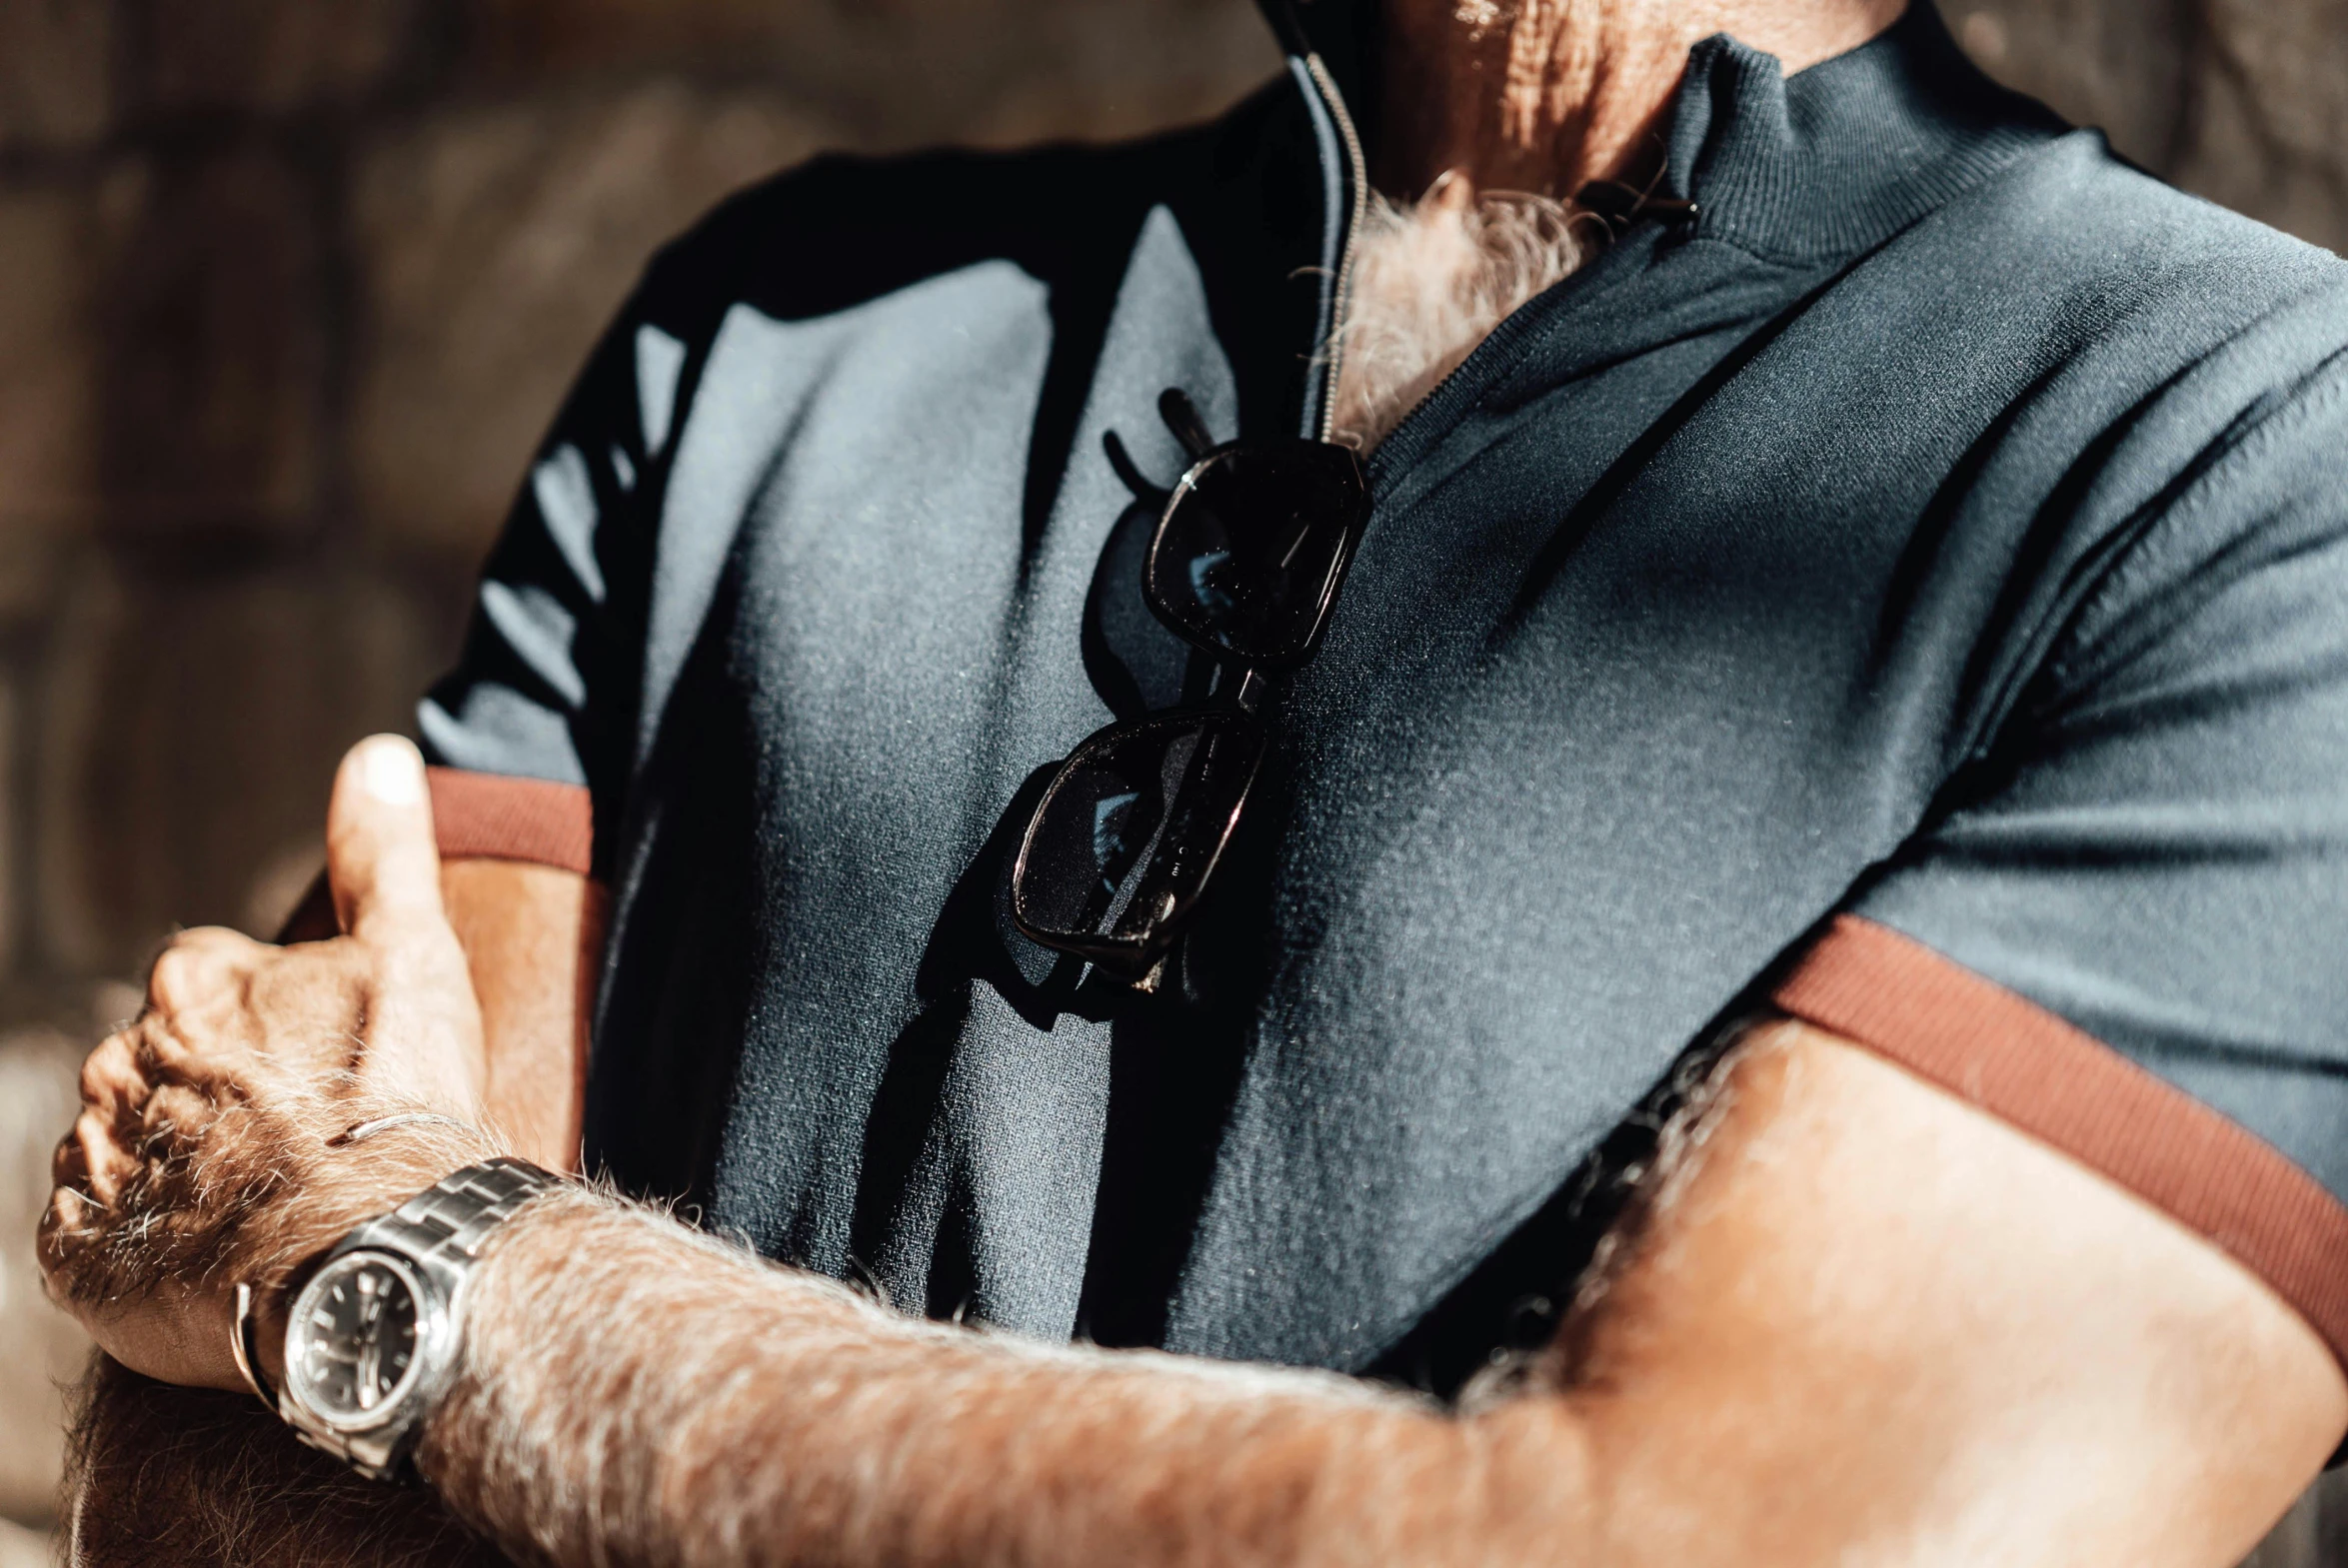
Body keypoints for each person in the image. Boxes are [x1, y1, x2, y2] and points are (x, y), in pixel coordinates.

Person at [40, 0, 2348, 1562]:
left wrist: (461, 1286)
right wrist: (318, 1274)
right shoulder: (763, 331)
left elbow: (1736, 1534)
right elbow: (217, 1410)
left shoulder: (2248, 461)